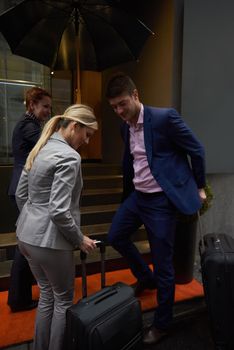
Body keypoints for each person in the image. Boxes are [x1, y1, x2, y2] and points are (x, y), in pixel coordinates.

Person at [105, 73, 206, 345]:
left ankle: (163, 324)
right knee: (115, 236)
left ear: (135, 95)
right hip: (138, 197)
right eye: (114, 107)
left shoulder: (164, 118)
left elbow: (197, 149)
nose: (119, 111)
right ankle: (145, 278)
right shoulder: (124, 127)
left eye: (122, 104)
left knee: (165, 265)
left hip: (161, 201)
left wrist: (199, 185)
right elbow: (133, 161)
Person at [15, 104, 98, 350]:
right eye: (87, 134)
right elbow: (59, 210)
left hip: (26, 236)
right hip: (50, 242)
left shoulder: (41, 146)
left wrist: (32, 223)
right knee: (63, 301)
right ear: (74, 126)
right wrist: (79, 239)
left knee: (46, 297)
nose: (87, 141)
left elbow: (21, 195)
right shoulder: (70, 157)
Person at [8, 86, 52, 312]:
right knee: (26, 245)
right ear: (32, 105)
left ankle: (19, 297)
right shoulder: (29, 126)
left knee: (25, 243)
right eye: (44, 106)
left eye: (49, 107)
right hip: (24, 189)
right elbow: (48, 146)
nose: (48, 111)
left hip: (21, 187)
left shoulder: (30, 124)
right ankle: (18, 299)